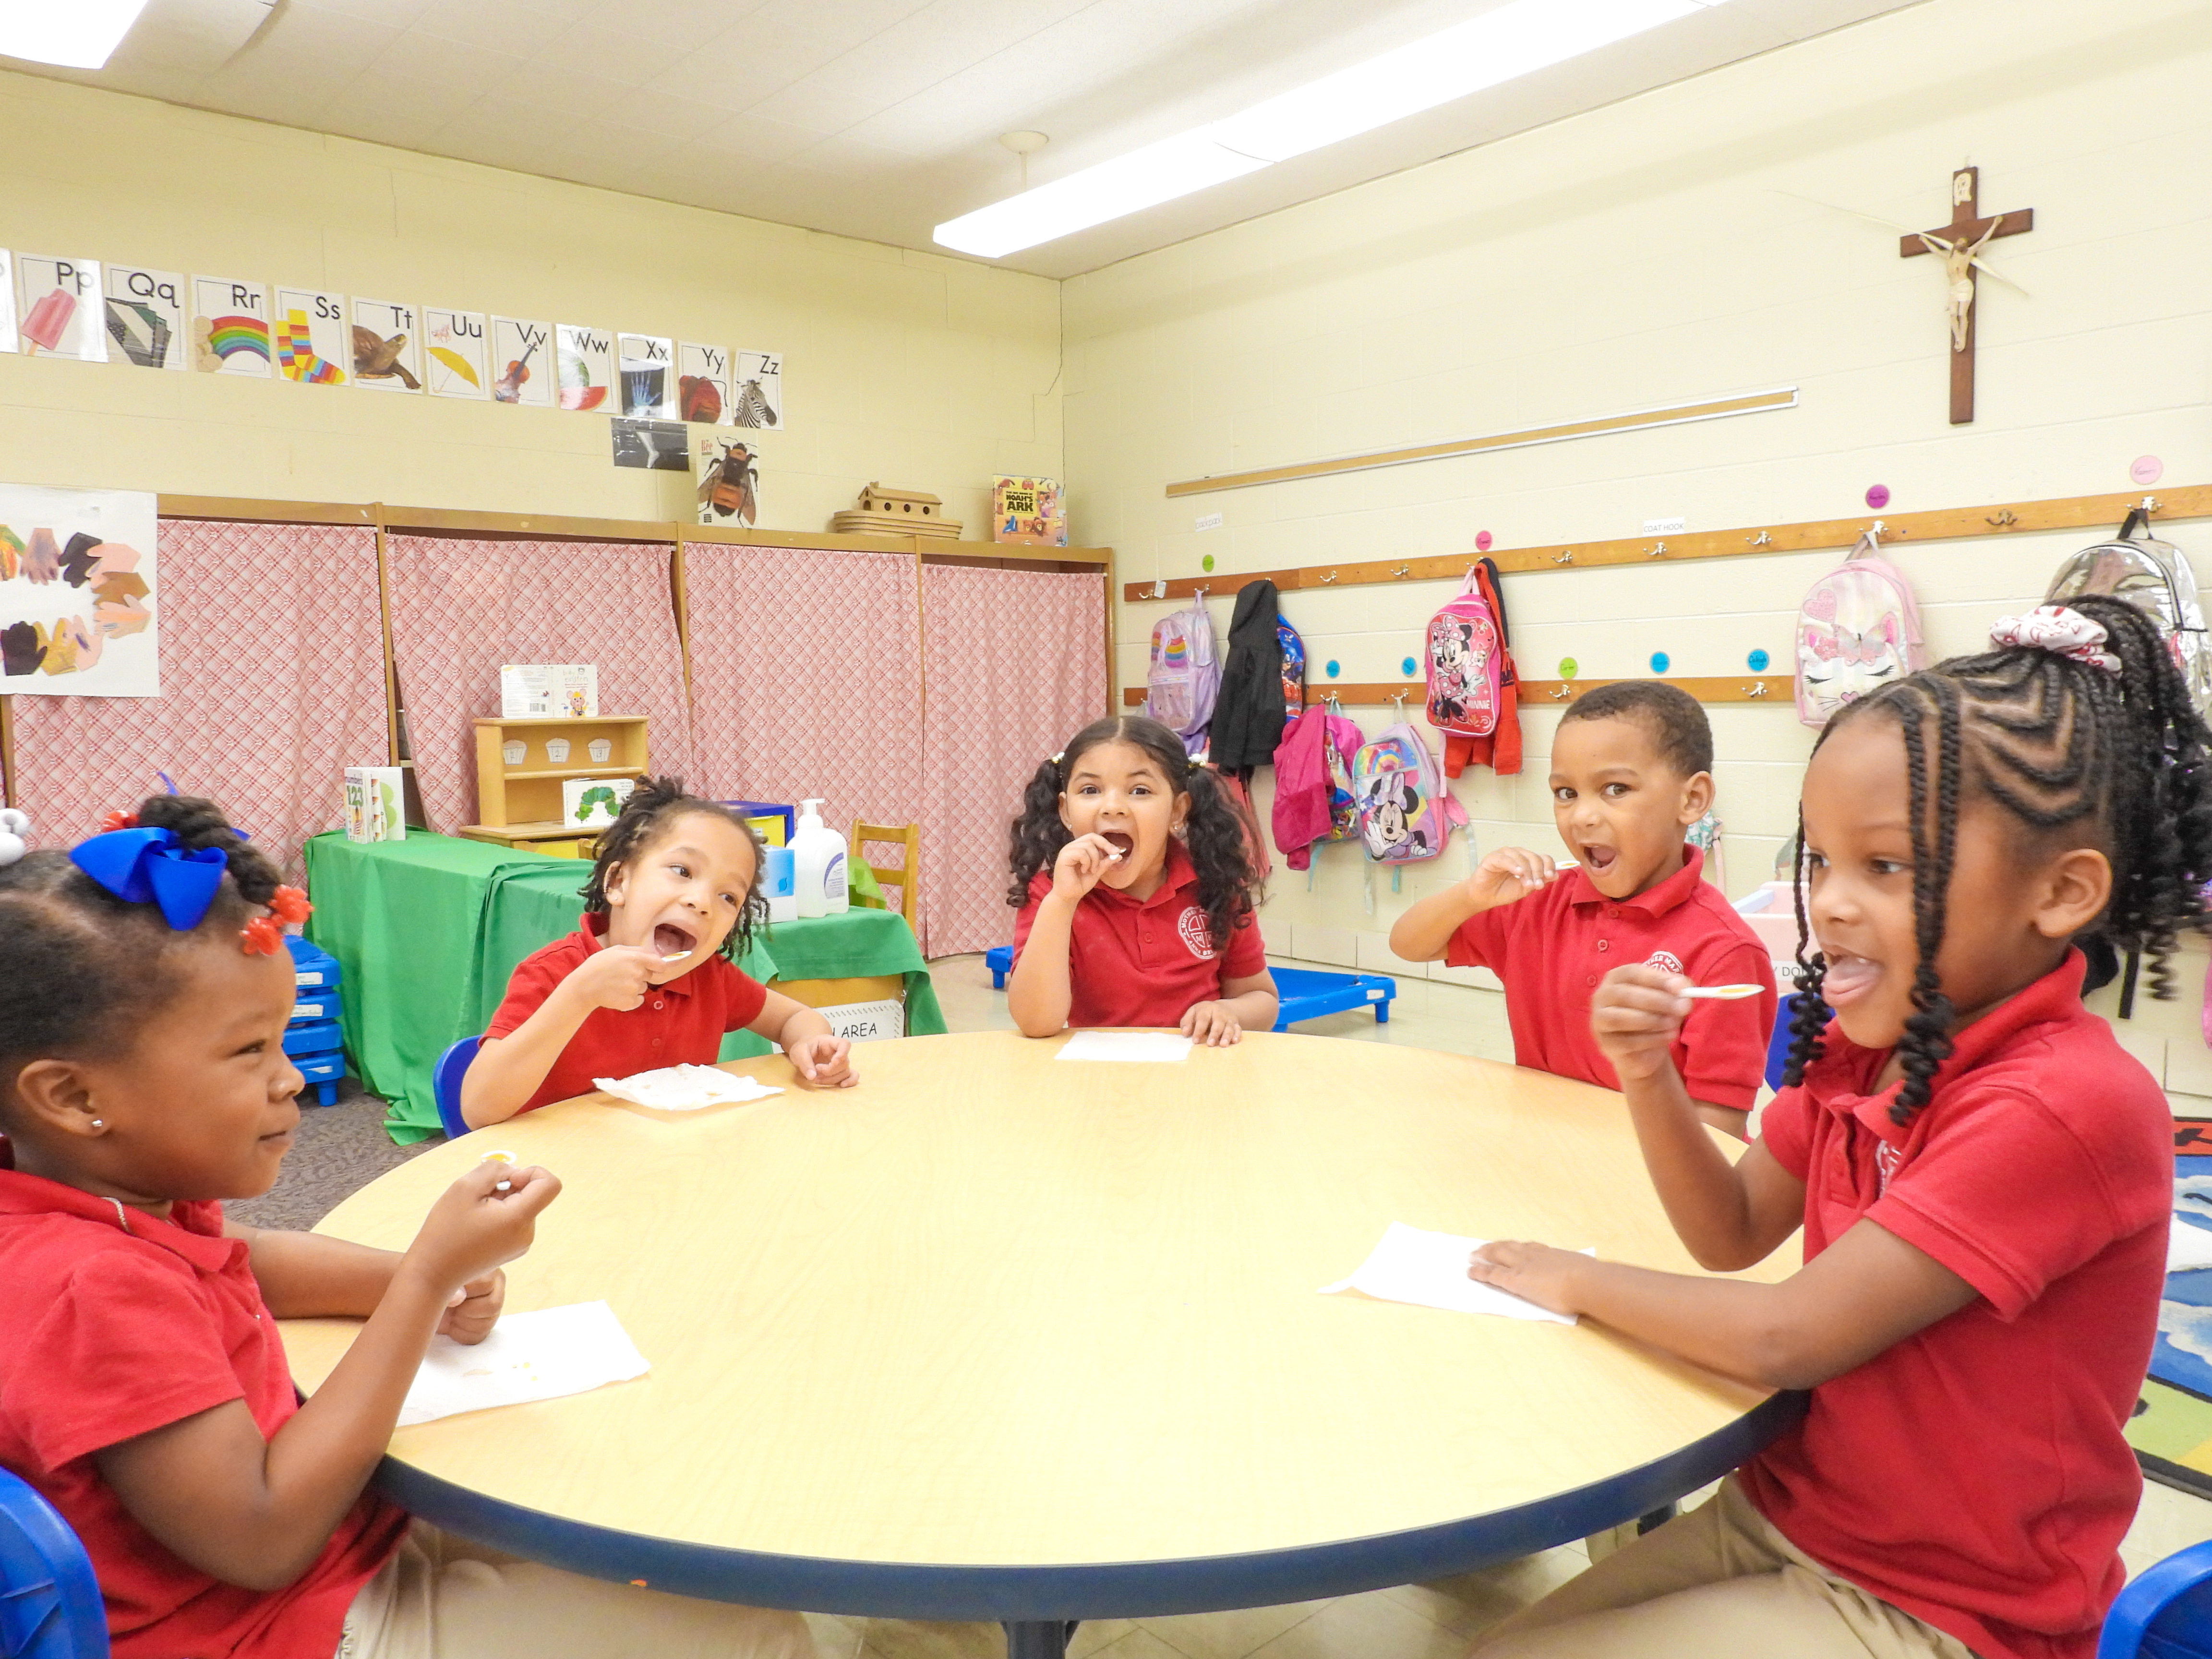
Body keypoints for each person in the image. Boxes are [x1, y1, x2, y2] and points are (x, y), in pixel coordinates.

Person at [1462, 598, 2207, 1659]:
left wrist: (1565, 1275)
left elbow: (1790, 1334)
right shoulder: (1871, 1052)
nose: (1832, 906)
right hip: (1789, 1519)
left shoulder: (2061, 1103)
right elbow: (1729, 1233)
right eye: (1819, 862)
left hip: (1942, 1605)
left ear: (2063, 892)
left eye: (1887, 867)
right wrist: (1646, 1075)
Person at [0, 794, 813, 1659]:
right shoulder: (90, 1284)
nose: (287, 1080)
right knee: (756, 1624)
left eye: (283, 1042)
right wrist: (425, 1278)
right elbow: (267, 1536)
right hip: (286, 1625)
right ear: (74, 1097)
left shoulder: (121, 1192)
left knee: (649, 1517)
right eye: (249, 1053)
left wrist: (415, 1274)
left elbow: (245, 1264)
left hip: (345, 1539)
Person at [1390, 681, 1774, 1136]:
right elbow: (1407, 945)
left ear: (1691, 800)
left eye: (1615, 789)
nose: (1582, 816)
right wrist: (1470, 895)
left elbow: (1720, 1132)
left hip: (1654, 1186)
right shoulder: (1537, 902)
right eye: (1566, 793)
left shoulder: (1726, 953)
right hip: (1546, 1153)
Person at [465, 779, 854, 1127]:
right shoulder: (554, 974)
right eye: (683, 871)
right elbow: (479, 1108)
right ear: (618, 882)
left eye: (728, 896)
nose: (702, 902)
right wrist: (578, 997)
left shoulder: (709, 978)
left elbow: (797, 1018)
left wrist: (809, 1045)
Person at [1007, 715, 1278, 1045]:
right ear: (1065, 811)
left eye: (1140, 790)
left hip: (1198, 1078)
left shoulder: (1216, 885)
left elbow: (1262, 1000)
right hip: (1095, 1081)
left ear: (1178, 810)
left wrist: (1229, 1012)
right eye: (1090, 790)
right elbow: (1035, 1023)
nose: (1113, 807)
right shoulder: (1049, 895)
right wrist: (1061, 903)